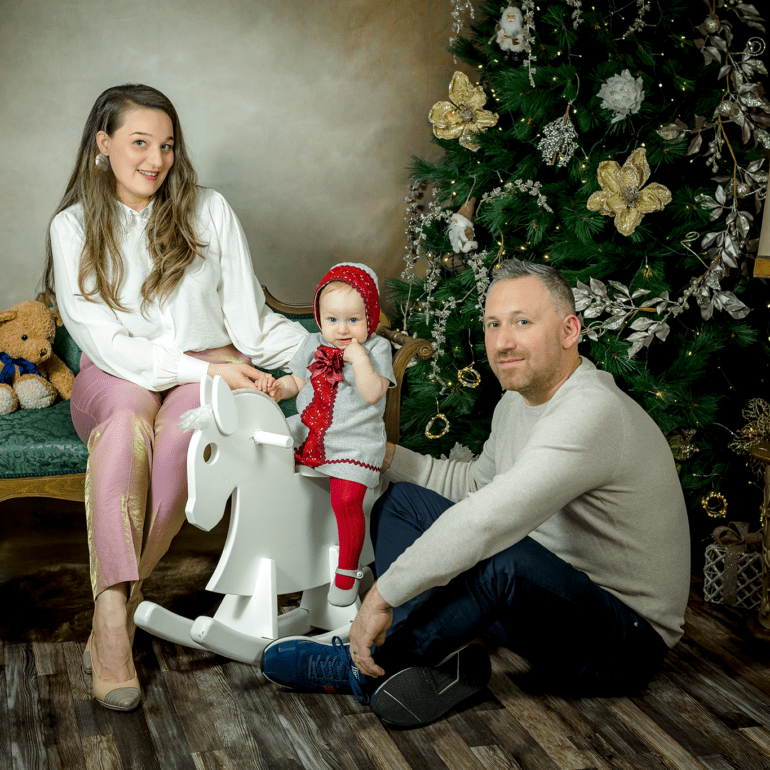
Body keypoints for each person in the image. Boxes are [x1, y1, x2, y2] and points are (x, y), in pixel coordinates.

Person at [261, 258, 691, 727]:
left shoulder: (590, 411)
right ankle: (417, 654)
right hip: (541, 603)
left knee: (500, 556)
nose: (502, 342)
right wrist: (381, 455)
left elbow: (488, 518)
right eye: (493, 324)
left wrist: (382, 595)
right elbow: (473, 487)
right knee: (401, 503)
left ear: (569, 331)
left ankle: (367, 665)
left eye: (522, 323)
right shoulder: (517, 401)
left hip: (623, 642)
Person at [42, 84, 308, 712]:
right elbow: (105, 342)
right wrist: (204, 367)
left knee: (186, 437)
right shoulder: (72, 225)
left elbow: (248, 323)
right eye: (140, 142)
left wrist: (320, 353)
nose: (156, 159)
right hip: (115, 376)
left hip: (204, 373)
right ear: (103, 143)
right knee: (128, 422)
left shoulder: (208, 210)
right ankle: (113, 616)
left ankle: (118, 605)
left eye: (166, 145)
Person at [270, 263, 395, 606]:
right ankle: (284, 552)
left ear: (370, 318)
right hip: (310, 430)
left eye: (353, 320)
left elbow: (373, 393)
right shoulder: (312, 343)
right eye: (332, 319)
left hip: (355, 440)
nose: (342, 329)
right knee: (268, 455)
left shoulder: (377, 349)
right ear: (320, 318)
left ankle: (348, 572)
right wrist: (280, 388)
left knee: (346, 500)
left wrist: (360, 360)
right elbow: (298, 381)